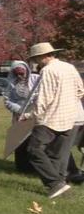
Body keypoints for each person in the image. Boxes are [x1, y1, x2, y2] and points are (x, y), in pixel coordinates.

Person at [20, 42, 84, 199]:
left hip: (50, 119)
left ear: (42, 56)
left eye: (36, 58)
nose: (36, 62)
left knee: (34, 150)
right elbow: (80, 90)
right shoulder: (69, 67)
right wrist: (67, 103)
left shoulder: (48, 71)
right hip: (70, 118)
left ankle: (54, 184)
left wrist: (30, 116)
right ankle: (61, 184)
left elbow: (43, 99)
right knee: (57, 154)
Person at [3, 61, 39, 173]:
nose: (20, 75)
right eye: (17, 73)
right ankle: (22, 167)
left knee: (34, 141)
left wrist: (32, 108)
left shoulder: (36, 79)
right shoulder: (11, 83)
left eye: (22, 73)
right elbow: (7, 100)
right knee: (20, 142)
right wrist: (19, 110)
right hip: (19, 115)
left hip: (35, 114)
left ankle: (35, 166)